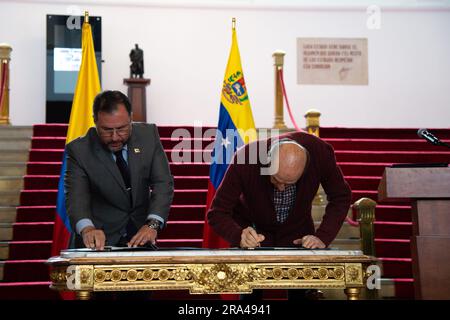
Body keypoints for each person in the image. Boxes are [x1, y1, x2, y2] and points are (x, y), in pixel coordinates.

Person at [207, 131, 352, 300]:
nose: (281, 188)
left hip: (299, 238)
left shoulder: (320, 153)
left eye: (290, 183)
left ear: (305, 167)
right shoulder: (246, 158)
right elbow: (217, 213)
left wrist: (322, 237)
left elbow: (341, 196)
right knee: (250, 302)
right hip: (253, 241)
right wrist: (239, 235)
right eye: (276, 179)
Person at [65, 90, 174, 250]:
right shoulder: (79, 150)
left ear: (131, 118)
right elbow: (76, 198)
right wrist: (88, 229)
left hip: (140, 238)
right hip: (98, 243)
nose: (115, 137)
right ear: (95, 121)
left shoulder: (148, 135)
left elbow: (163, 183)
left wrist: (152, 224)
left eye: (122, 129)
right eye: (107, 130)